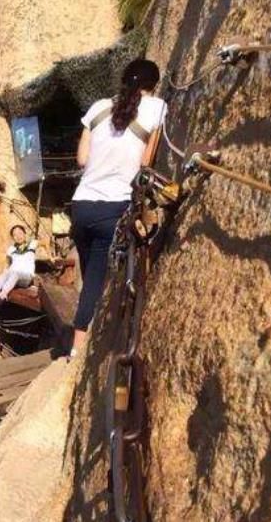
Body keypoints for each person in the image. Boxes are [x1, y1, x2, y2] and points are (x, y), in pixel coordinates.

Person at [70, 58, 166, 356]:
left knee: (90, 277)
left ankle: (83, 331)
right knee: (96, 282)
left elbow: (82, 159)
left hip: (82, 205)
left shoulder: (99, 107)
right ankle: (77, 351)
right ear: (154, 85)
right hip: (115, 206)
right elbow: (146, 162)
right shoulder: (157, 107)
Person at [0, 225, 38, 307]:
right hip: (12, 275)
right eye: (15, 235)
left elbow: (44, 243)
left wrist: (51, 257)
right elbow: (7, 262)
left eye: (20, 233)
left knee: (15, 274)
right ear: (13, 238)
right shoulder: (11, 249)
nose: (18, 236)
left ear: (24, 233)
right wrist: (5, 271)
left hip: (26, 277)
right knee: (3, 275)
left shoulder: (32, 244)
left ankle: (3, 294)